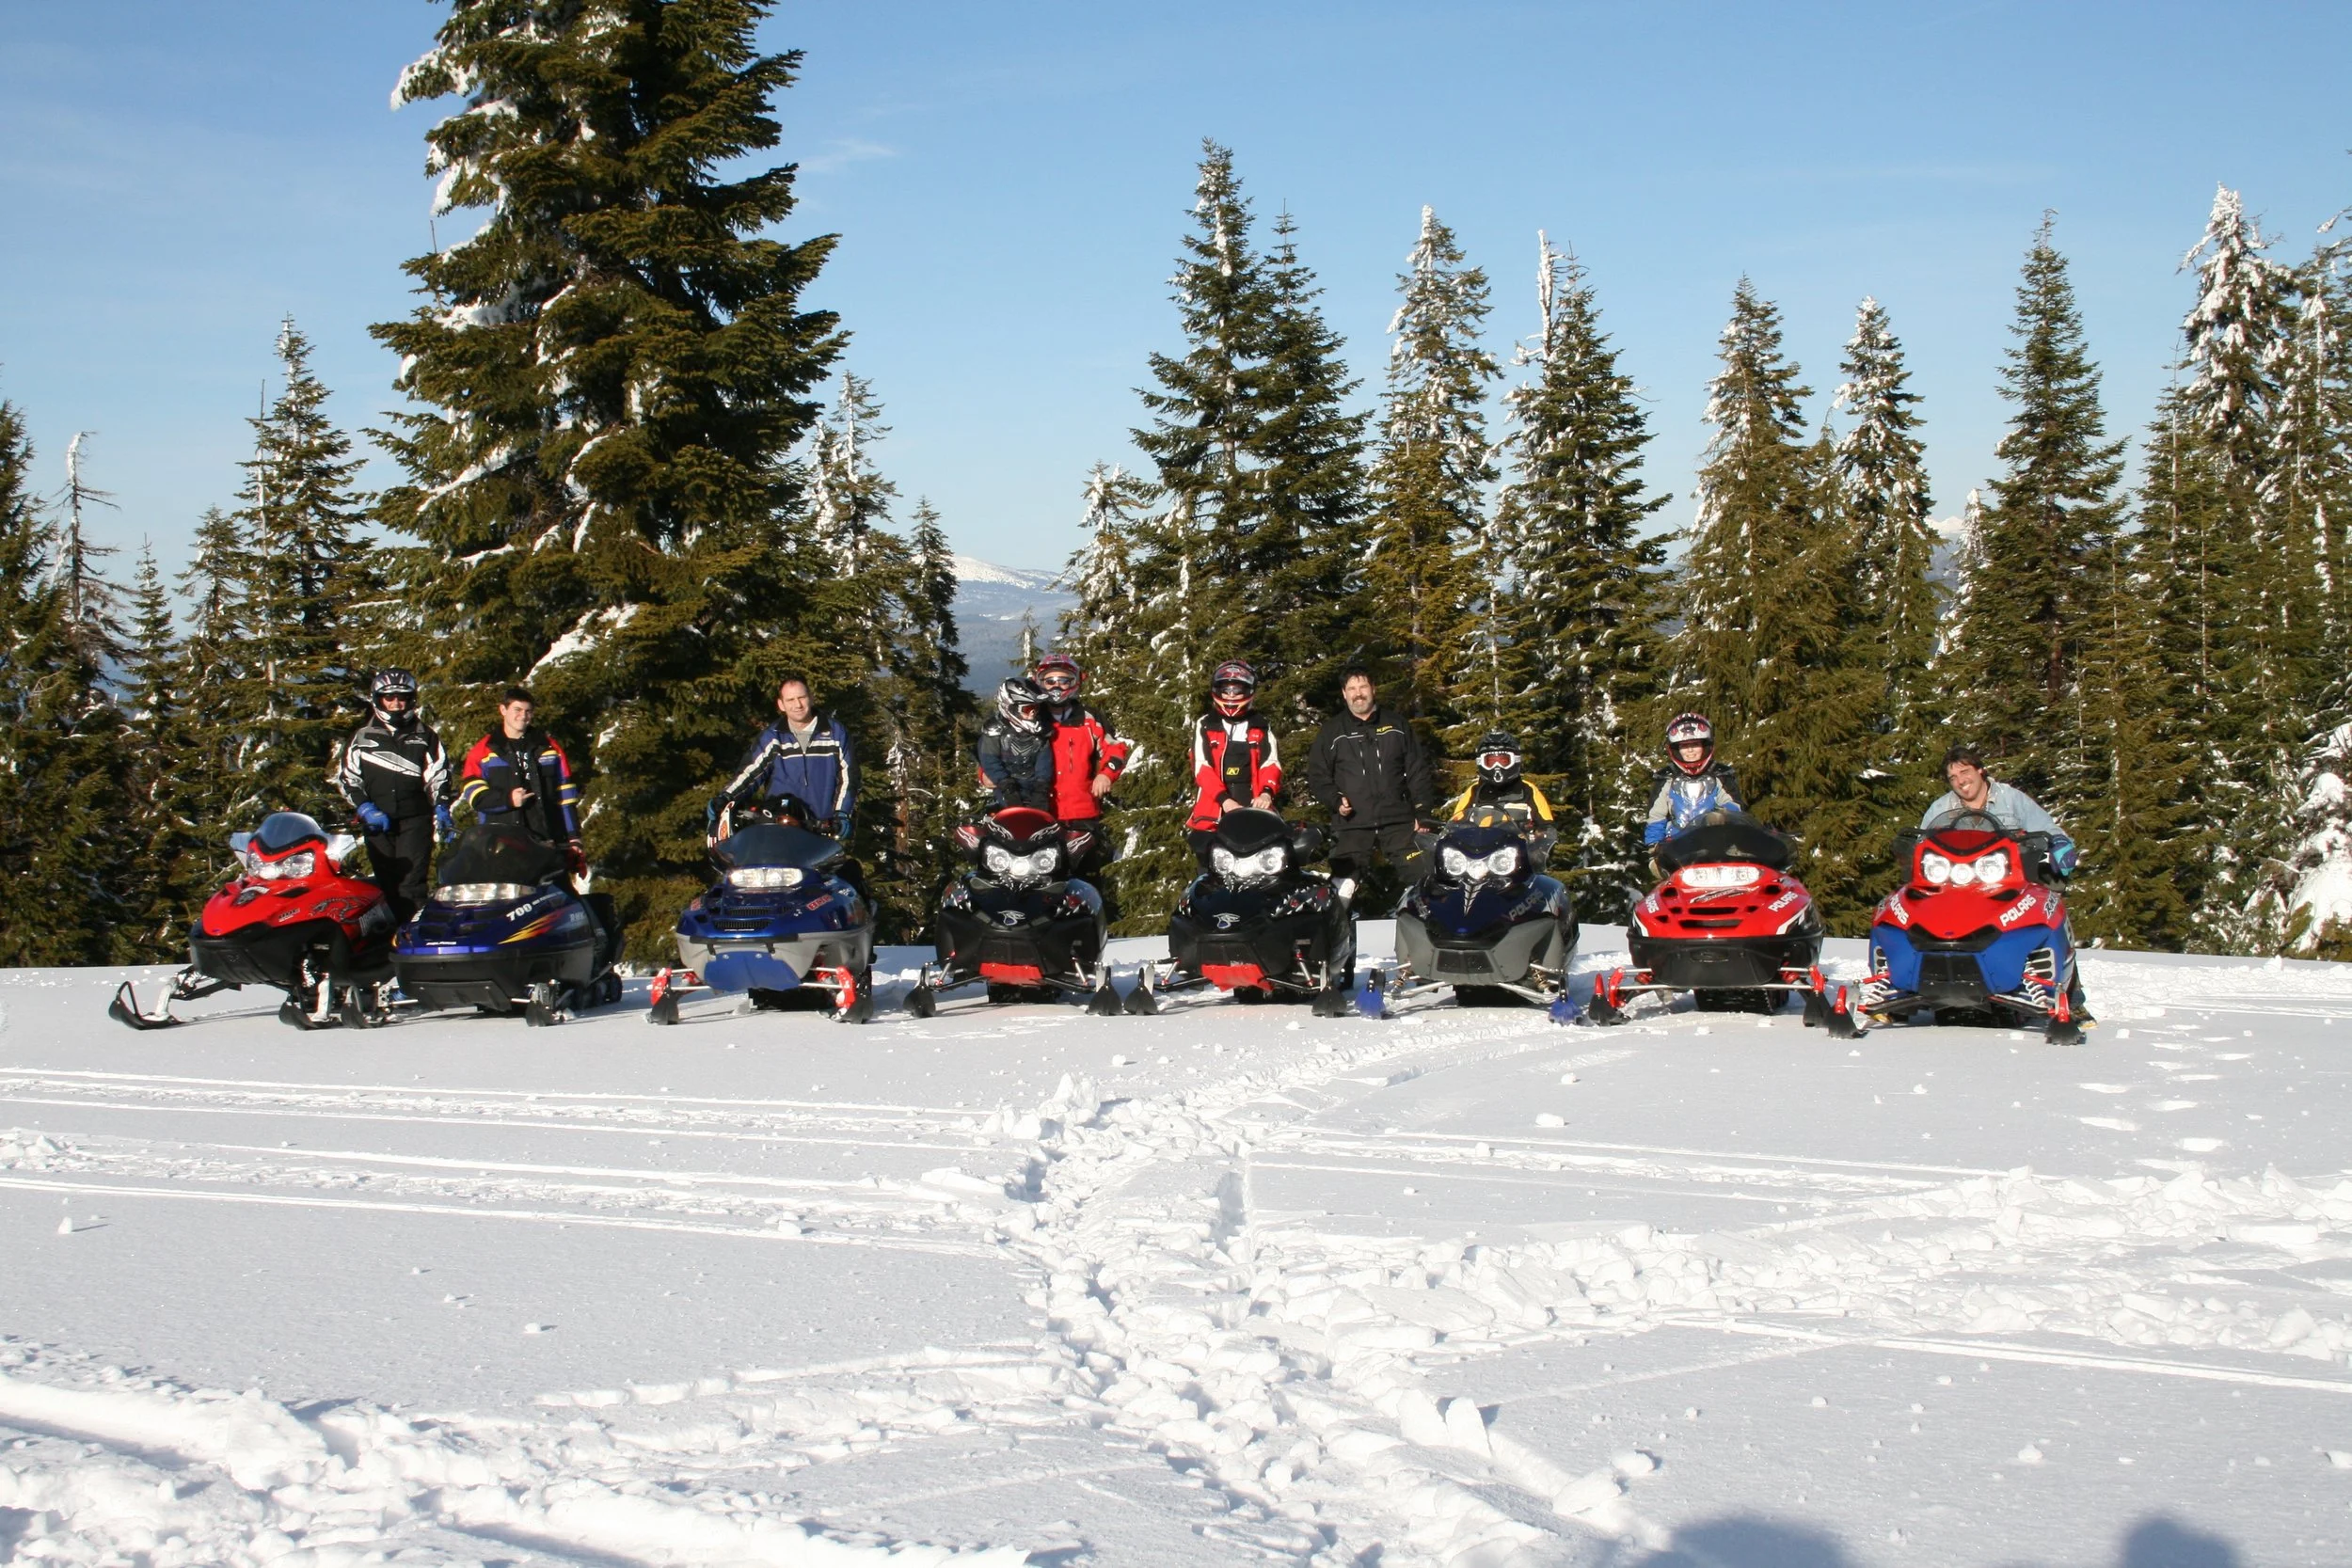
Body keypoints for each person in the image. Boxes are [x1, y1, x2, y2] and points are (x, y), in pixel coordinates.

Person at [1920, 742, 2090, 1022]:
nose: (1960, 781)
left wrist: (2060, 846)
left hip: (2010, 881)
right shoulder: (1941, 807)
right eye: (1953, 777)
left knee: (2050, 911)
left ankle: (2071, 997)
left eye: (1965, 772)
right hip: (1959, 885)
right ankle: (1904, 989)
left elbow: (2049, 829)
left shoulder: (2011, 799)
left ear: (1980, 770)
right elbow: (1922, 844)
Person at [336, 668, 453, 923]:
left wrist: (441, 805)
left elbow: (439, 774)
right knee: (386, 884)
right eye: (390, 698)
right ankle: (386, 936)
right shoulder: (362, 737)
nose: (396, 703)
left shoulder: (425, 735)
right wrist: (365, 808)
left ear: (412, 699)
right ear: (378, 699)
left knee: (412, 883)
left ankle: (412, 934)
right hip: (377, 820)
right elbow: (348, 778)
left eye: (402, 697)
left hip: (415, 819)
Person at [1307, 667, 1435, 889]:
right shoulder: (1332, 731)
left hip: (1398, 821)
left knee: (1423, 880)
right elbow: (1318, 775)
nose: (1358, 694)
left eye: (1363, 687)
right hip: (1352, 823)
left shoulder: (1397, 725)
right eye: (1352, 689)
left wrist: (1423, 813)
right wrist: (1336, 801)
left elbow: (1417, 771)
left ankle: (1416, 911)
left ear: (1373, 689)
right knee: (1342, 887)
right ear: (1344, 693)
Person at [1034, 651, 1130, 904]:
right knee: (1038, 878)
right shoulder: (1031, 717)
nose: (1056, 686)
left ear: (1075, 682)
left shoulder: (1089, 718)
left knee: (1085, 881)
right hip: (1039, 810)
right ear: (1040, 683)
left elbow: (1115, 749)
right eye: (1050, 681)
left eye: (1063, 680)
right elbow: (1004, 748)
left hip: (1081, 812)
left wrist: (1106, 774)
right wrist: (987, 773)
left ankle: (1090, 923)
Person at [714, 676, 856, 841]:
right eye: (790, 700)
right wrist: (726, 797)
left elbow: (849, 777)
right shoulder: (773, 737)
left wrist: (842, 814)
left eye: (801, 697)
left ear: (811, 698)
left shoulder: (835, 733)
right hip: (778, 827)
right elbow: (749, 774)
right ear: (781, 705)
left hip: (820, 829)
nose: (798, 705)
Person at [458, 688, 583, 860]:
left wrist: (574, 836)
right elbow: (475, 797)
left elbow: (566, 795)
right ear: (503, 710)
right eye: (517, 710)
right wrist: (508, 800)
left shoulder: (549, 748)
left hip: (546, 840)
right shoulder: (483, 751)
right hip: (500, 844)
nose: (523, 716)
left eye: (528, 711)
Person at [1187, 660, 1282, 865]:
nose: (1231, 696)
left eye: (1236, 691)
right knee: (1211, 870)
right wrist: (1225, 800)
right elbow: (1202, 768)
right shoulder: (1205, 724)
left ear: (1247, 691)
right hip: (1214, 808)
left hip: (1253, 804)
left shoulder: (1261, 725)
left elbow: (1271, 763)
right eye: (1226, 690)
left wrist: (1266, 793)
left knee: (1260, 865)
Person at [1443, 731, 1557, 863]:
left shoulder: (1528, 791)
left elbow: (1547, 827)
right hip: (1479, 861)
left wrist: (1539, 851)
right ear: (1481, 762)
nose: (1497, 767)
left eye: (1503, 761)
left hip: (1519, 862)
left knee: (1543, 878)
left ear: (1515, 760)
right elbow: (1455, 824)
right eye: (1491, 762)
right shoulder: (1474, 791)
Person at [1645, 712, 1743, 847]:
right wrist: (1654, 845)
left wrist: (1721, 816)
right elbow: (1656, 817)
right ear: (1676, 749)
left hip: (1717, 842)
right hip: (1676, 846)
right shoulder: (1666, 778)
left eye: (1695, 744)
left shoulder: (1720, 775)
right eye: (1684, 746)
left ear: (1705, 746)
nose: (1690, 750)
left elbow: (1735, 808)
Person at [977, 676, 1057, 812]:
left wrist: (1041, 789)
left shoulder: (1041, 732)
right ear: (1010, 707)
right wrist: (1006, 786)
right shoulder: (994, 731)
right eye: (1027, 709)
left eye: (1035, 708)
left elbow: (1044, 763)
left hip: (1033, 788)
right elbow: (990, 761)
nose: (1033, 713)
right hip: (1004, 789)